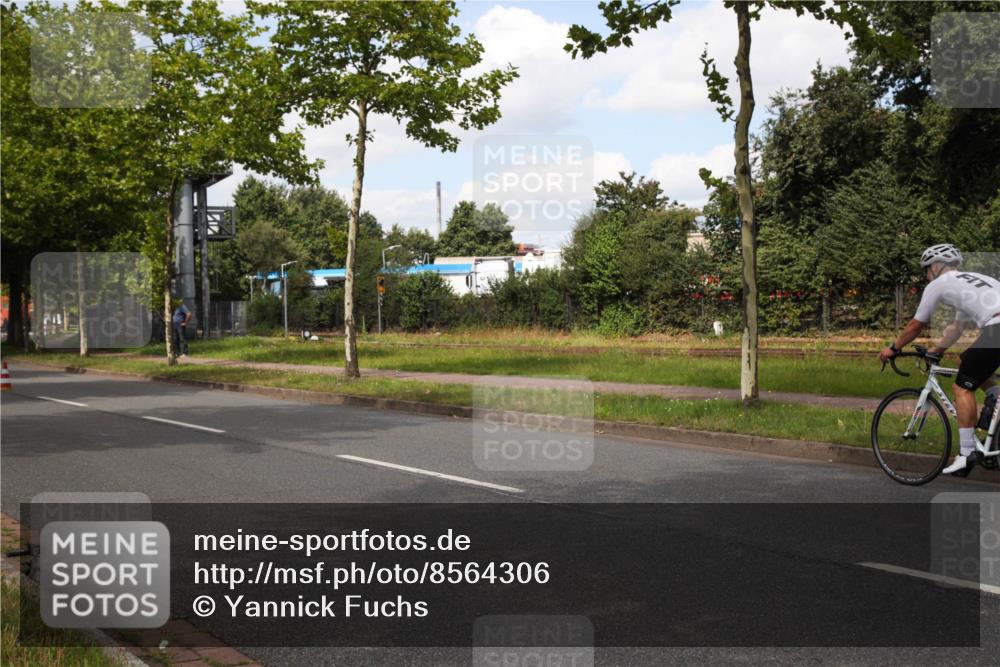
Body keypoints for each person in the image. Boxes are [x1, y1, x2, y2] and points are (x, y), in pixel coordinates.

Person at [879, 244, 1000, 476]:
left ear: (936, 266)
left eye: (926, 270)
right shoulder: (973, 280)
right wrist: (937, 350)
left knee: (962, 388)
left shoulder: (939, 284)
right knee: (966, 362)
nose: (926, 275)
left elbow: (916, 324)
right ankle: (995, 398)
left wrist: (893, 348)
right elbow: (957, 328)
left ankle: (966, 454)